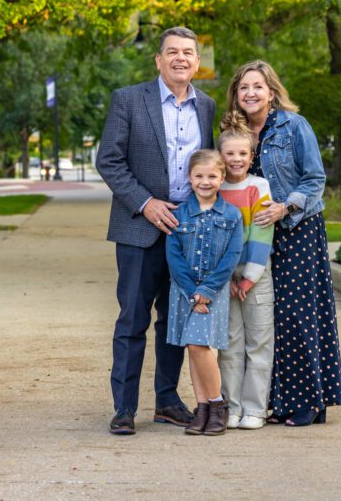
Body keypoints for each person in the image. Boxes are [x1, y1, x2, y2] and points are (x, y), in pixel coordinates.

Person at [96, 26, 216, 435]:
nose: (180, 58)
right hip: (138, 229)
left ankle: (167, 401)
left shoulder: (208, 108)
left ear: (197, 63)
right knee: (132, 320)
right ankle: (124, 408)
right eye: (172, 52)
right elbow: (109, 161)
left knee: (174, 321)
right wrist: (146, 204)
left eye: (188, 52)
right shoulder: (128, 100)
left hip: (187, 235)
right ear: (159, 60)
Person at [225, 59, 341, 427]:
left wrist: (284, 207)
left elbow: (314, 179)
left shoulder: (294, 126)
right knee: (267, 319)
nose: (250, 93)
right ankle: (275, 400)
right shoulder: (236, 132)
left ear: (272, 92)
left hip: (297, 230)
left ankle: (309, 402)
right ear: (236, 94)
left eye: (258, 86)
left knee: (296, 314)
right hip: (255, 238)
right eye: (244, 87)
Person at [165, 149, 243, 435]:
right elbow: (174, 257)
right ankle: (202, 410)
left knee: (200, 346)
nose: (205, 181)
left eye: (212, 176)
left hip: (215, 290)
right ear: (189, 178)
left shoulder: (231, 215)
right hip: (184, 291)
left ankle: (217, 404)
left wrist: (207, 291)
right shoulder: (179, 214)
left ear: (222, 178)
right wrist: (191, 292)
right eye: (199, 176)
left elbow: (232, 256)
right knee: (193, 349)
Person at [216, 125, 275, 430]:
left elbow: (262, 233)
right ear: (220, 156)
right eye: (230, 153)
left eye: (243, 153)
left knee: (259, 343)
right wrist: (223, 278)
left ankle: (255, 408)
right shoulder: (215, 188)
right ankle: (232, 406)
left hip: (255, 276)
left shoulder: (259, 187)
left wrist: (249, 277)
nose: (236, 159)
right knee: (229, 344)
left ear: (252, 156)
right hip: (224, 281)